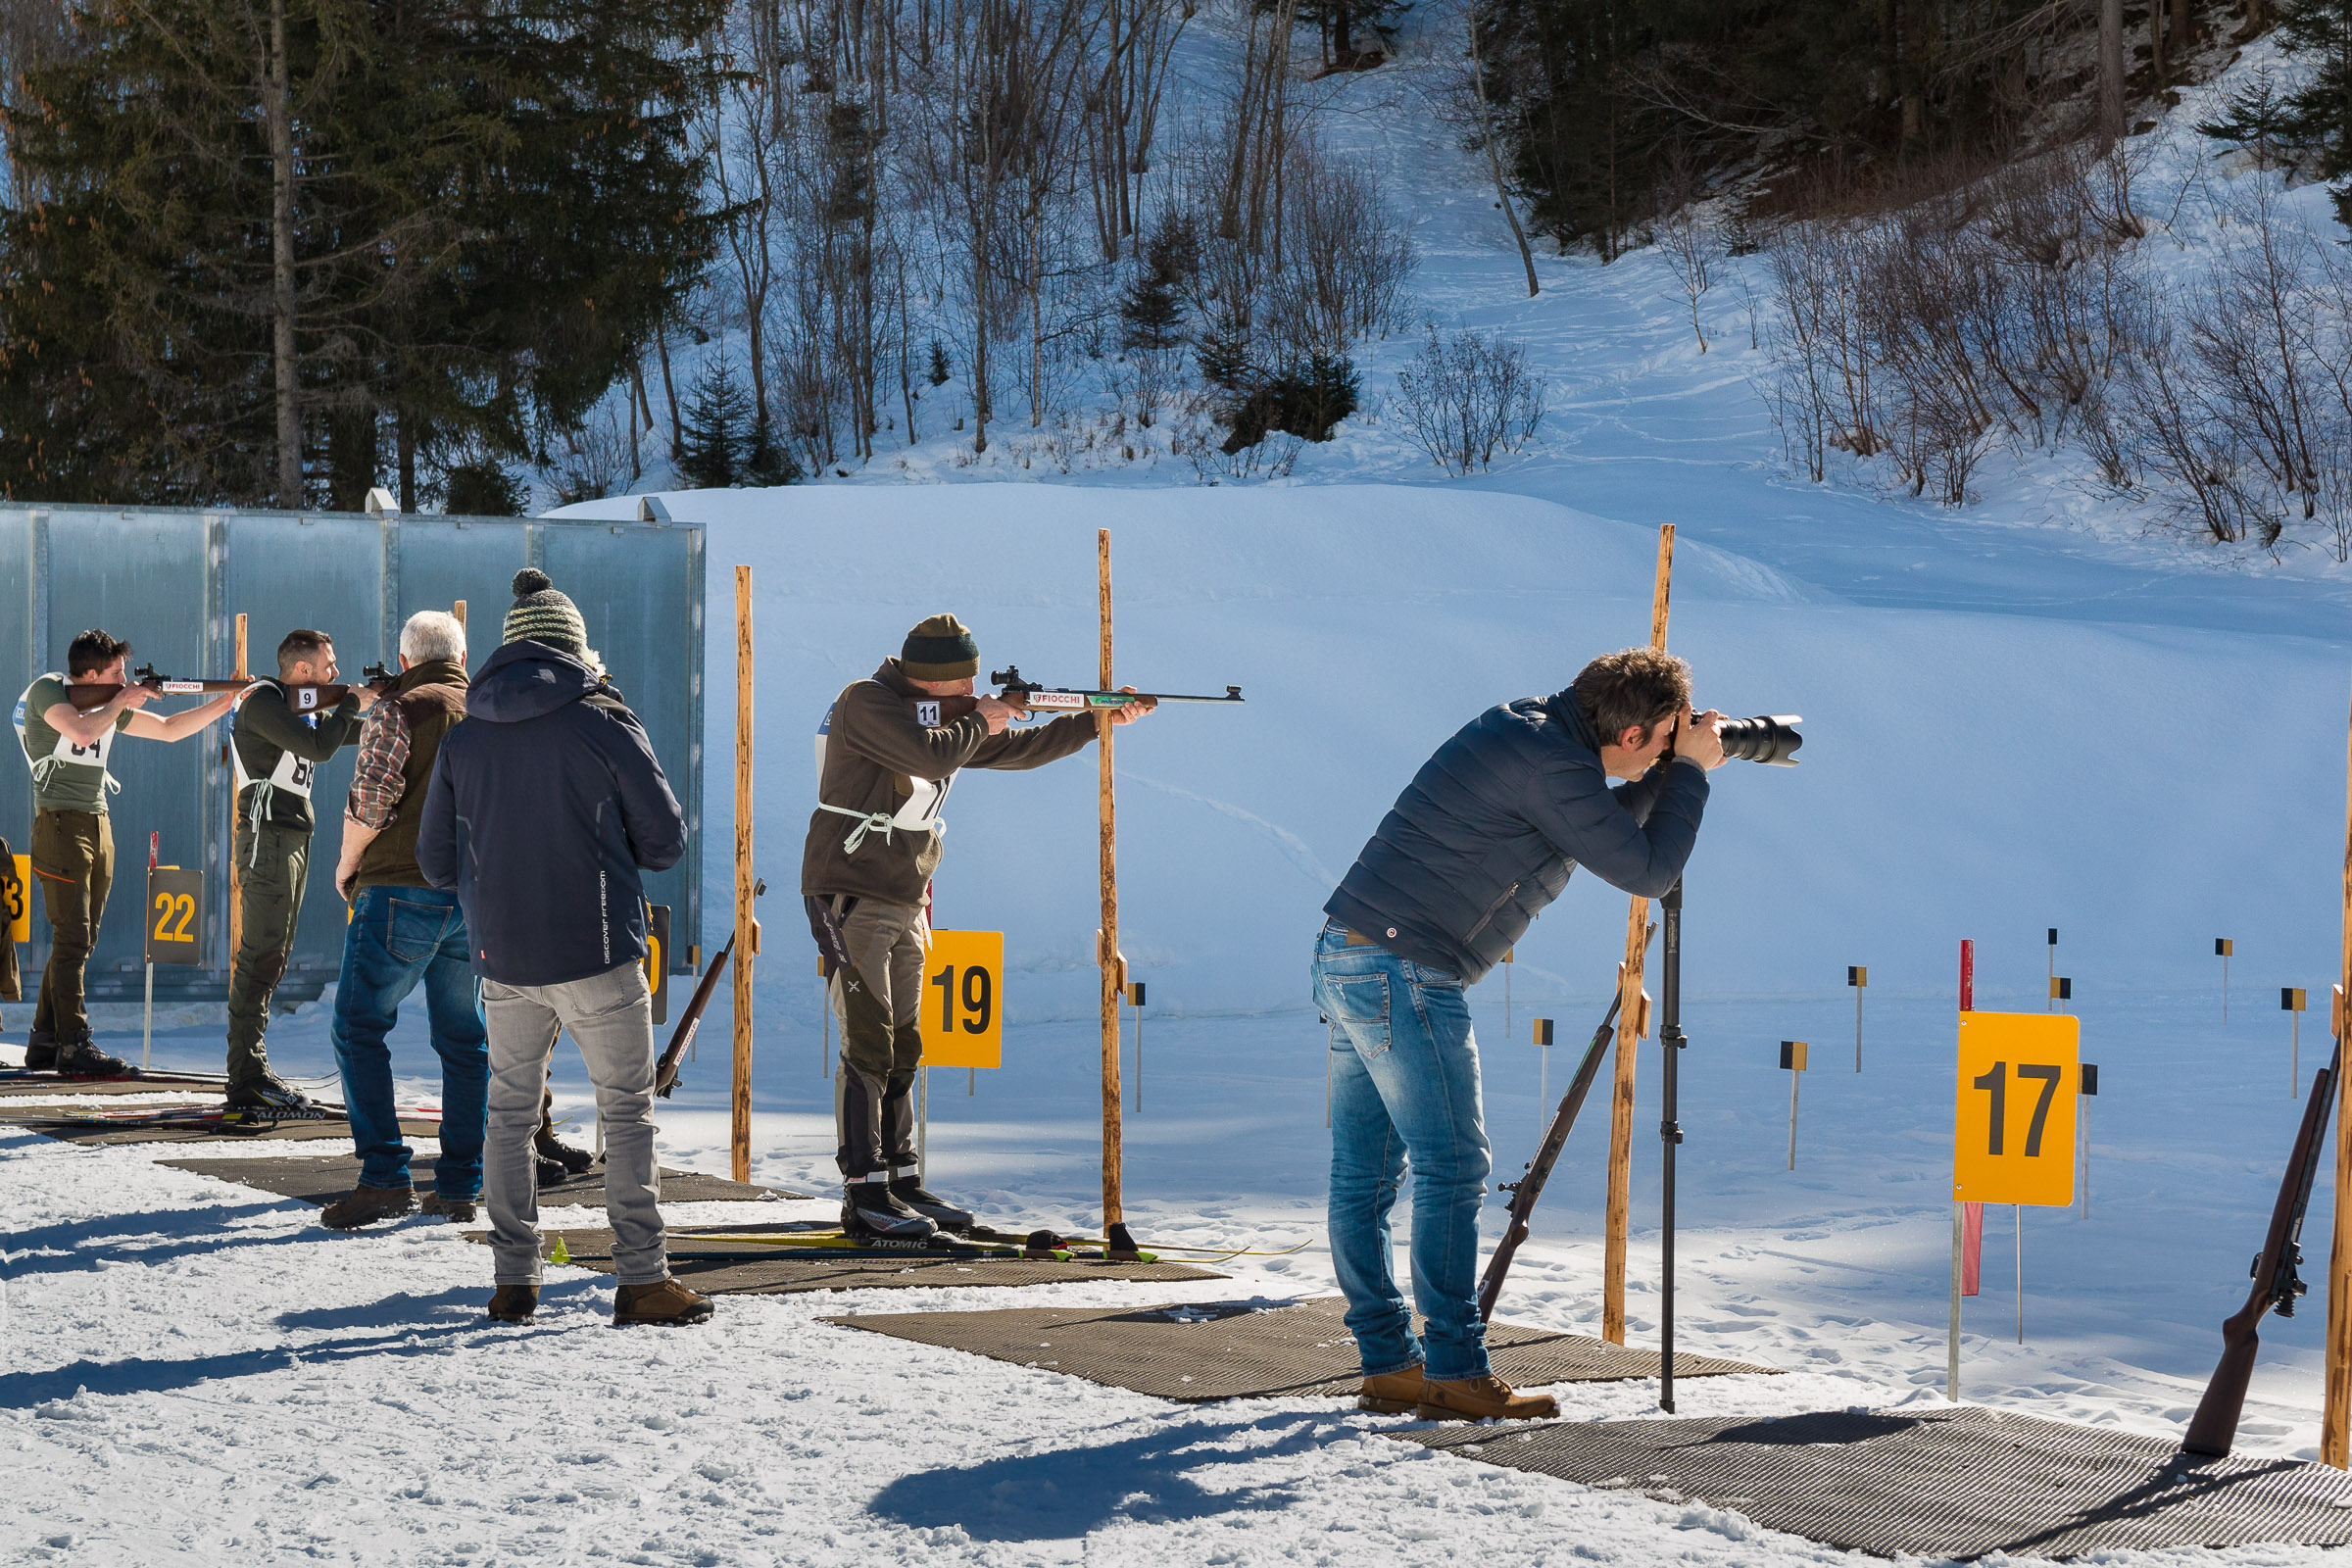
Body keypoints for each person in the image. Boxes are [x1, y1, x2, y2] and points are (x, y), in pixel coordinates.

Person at [1313, 647, 1727, 1423]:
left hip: (1356, 954)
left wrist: (1671, 771)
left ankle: (1389, 1363)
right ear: (1632, 734)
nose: (1663, 756)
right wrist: (1692, 777)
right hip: (1403, 970)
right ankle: (1454, 1369)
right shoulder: (1551, 762)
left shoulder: (1535, 736)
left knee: (1366, 1174)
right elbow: (1648, 872)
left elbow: (1598, 828)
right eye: (1661, 744)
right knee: (1452, 1166)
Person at [803, 612, 1152, 1243]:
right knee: (867, 1042)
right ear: (930, 679)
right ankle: (864, 1192)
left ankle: (901, 1179)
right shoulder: (866, 702)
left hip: (905, 895)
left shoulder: (941, 719)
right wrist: (981, 718)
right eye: (962, 682)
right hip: (851, 891)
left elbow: (1018, 750)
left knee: (903, 1042)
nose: (972, 691)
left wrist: (1093, 720)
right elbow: (926, 753)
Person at [419, 568, 704, 1328]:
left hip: (503, 961)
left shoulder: (466, 736)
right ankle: (642, 1279)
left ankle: (514, 1280)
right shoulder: (605, 720)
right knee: (627, 1113)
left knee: (508, 1116)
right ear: (575, 650)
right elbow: (666, 841)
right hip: (598, 950)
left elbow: (436, 863)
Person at [319, 611, 486, 1229]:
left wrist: (347, 867)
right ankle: (461, 1185)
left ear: (406, 661)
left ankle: (385, 1177)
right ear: (462, 659)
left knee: (358, 1028)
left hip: (398, 886)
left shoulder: (398, 708)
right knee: (466, 1043)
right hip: (472, 897)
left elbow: (370, 801)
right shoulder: (491, 711)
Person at [13, 629, 238, 1076]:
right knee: (73, 936)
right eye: (116, 673)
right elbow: (80, 732)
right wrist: (120, 700)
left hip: (98, 822)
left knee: (81, 938)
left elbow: (170, 731)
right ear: (90, 674)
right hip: (59, 824)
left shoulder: (107, 704)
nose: (123, 680)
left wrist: (225, 702)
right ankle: (74, 1044)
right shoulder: (49, 691)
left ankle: (45, 1040)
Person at [223, 629, 373, 1110]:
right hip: (268, 838)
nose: (336, 673)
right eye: (329, 666)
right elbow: (321, 747)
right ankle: (245, 1075)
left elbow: (341, 733)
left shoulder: (295, 707)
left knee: (274, 955)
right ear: (304, 670)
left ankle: (251, 1068)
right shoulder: (264, 701)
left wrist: (384, 709)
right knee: (260, 956)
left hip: (288, 837)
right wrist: (351, 702)